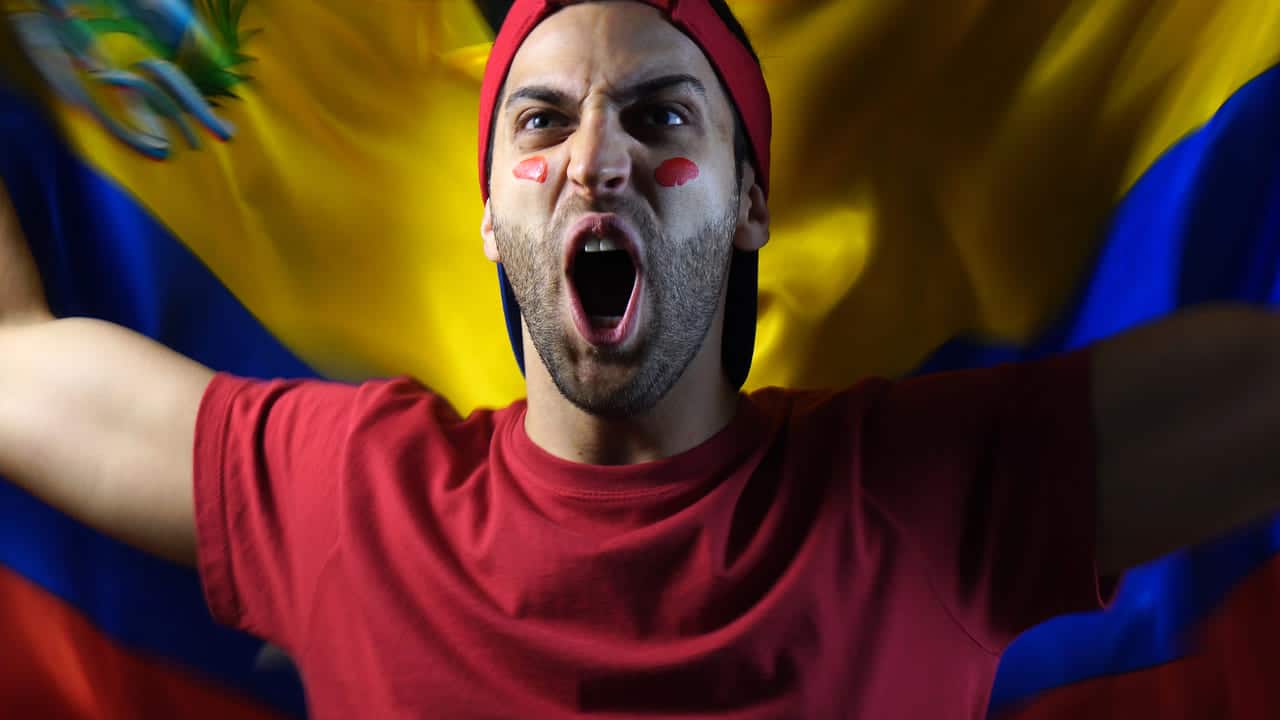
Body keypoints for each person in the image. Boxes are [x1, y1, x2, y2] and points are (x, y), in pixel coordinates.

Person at [1, 0, 1278, 717]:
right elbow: (15, 366)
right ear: (492, 218)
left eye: (662, 115)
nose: (596, 159)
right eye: (542, 122)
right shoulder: (350, 499)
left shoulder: (920, 492)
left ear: (748, 205)